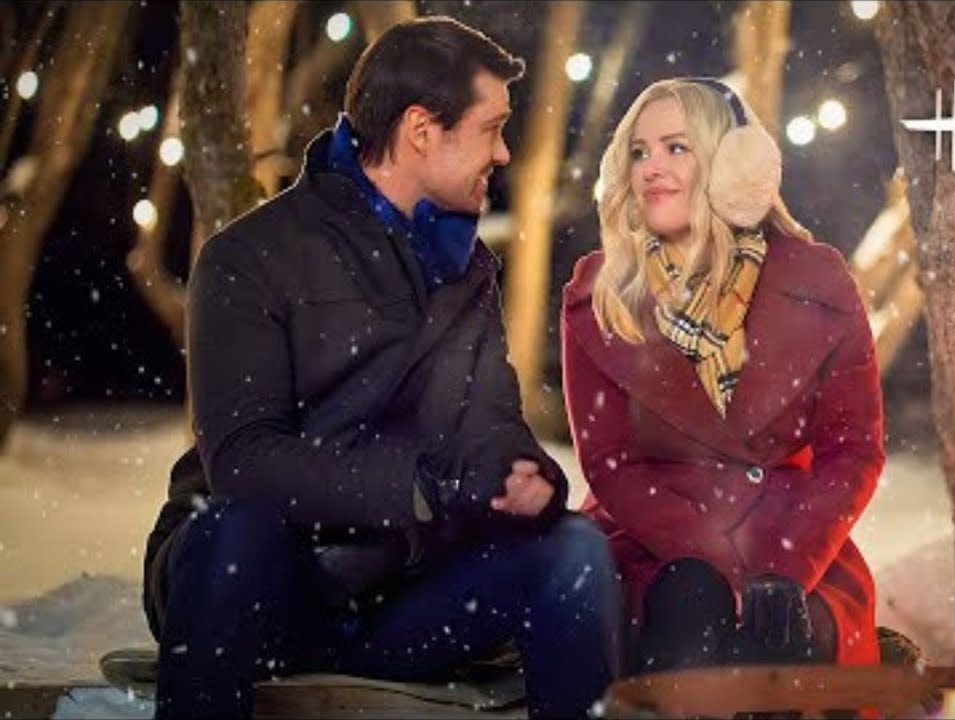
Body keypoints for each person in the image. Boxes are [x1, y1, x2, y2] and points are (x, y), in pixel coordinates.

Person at [142, 17, 621, 719]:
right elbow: (245, 460)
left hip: (399, 598)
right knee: (235, 527)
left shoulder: (466, 269)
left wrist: (523, 478)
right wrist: (423, 489)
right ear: (422, 130)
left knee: (573, 550)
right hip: (261, 596)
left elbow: (488, 421)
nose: (504, 151)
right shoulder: (252, 255)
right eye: (491, 128)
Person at [560, 77, 885, 675]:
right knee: (688, 612)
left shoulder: (817, 280)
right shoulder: (600, 293)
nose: (651, 167)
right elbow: (610, 464)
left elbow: (854, 451)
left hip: (795, 537)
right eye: (639, 151)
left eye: (676, 148)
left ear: (735, 166)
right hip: (652, 537)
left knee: (788, 637)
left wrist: (785, 565)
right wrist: (710, 557)